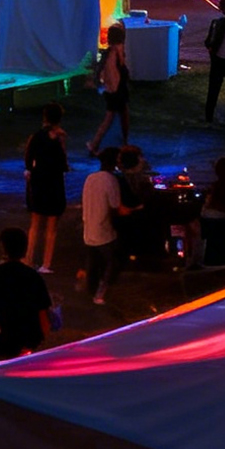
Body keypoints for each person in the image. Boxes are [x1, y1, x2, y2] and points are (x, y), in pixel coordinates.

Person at [0, 226, 56, 361]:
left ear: (4, 248)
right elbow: (42, 312)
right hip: (27, 340)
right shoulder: (32, 276)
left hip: (0, 339)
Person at [23, 102, 70, 272]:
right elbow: (63, 161)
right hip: (54, 181)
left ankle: (29, 259)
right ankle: (46, 264)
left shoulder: (37, 136)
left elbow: (28, 157)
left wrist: (30, 171)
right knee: (51, 226)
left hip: (38, 180)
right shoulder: (60, 137)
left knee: (35, 223)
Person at [80, 145, 124, 305]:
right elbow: (115, 205)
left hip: (88, 228)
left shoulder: (90, 178)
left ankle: (89, 289)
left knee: (92, 261)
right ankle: (101, 292)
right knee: (112, 262)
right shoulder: (111, 180)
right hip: (103, 231)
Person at [89, 22, 131, 153]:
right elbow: (111, 74)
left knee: (122, 116)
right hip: (116, 90)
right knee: (110, 118)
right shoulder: (113, 53)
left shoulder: (117, 51)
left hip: (118, 90)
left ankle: (123, 142)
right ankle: (94, 145)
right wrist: (113, 90)